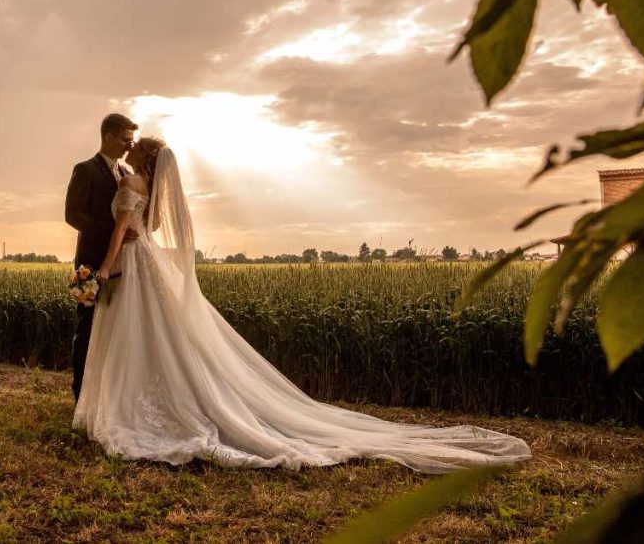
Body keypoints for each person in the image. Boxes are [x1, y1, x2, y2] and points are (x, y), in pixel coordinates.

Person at [71, 138, 532, 473]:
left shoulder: (131, 179)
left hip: (132, 260)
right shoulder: (150, 186)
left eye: (136, 146)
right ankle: (141, 400)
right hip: (150, 260)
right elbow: (139, 226)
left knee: (139, 337)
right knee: (159, 339)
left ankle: (133, 408)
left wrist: (105, 268)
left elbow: (120, 231)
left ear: (144, 157)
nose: (129, 148)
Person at [64, 113, 139, 402]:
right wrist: (113, 230)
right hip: (91, 261)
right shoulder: (84, 170)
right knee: (86, 329)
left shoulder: (125, 172)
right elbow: (73, 215)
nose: (128, 148)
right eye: (125, 140)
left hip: (121, 263)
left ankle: (105, 397)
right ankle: (80, 395)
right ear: (108, 137)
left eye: (132, 142)